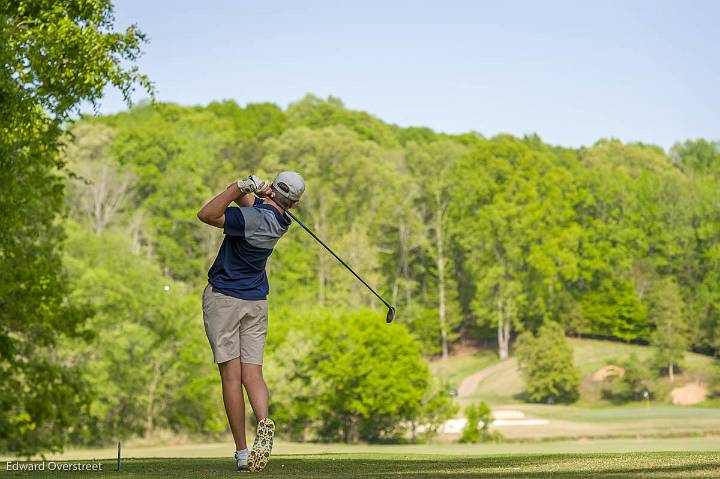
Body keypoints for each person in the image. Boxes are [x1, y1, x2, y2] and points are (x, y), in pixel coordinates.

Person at [196, 171, 305, 472]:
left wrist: (239, 185)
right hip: (256, 302)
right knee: (253, 375)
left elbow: (206, 214)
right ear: (294, 205)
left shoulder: (251, 220)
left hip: (225, 300)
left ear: (274, 191)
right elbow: (249, 202)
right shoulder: (279, 221)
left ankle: (243, 452)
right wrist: (254, 190)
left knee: (231, 377)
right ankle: (264, 422)